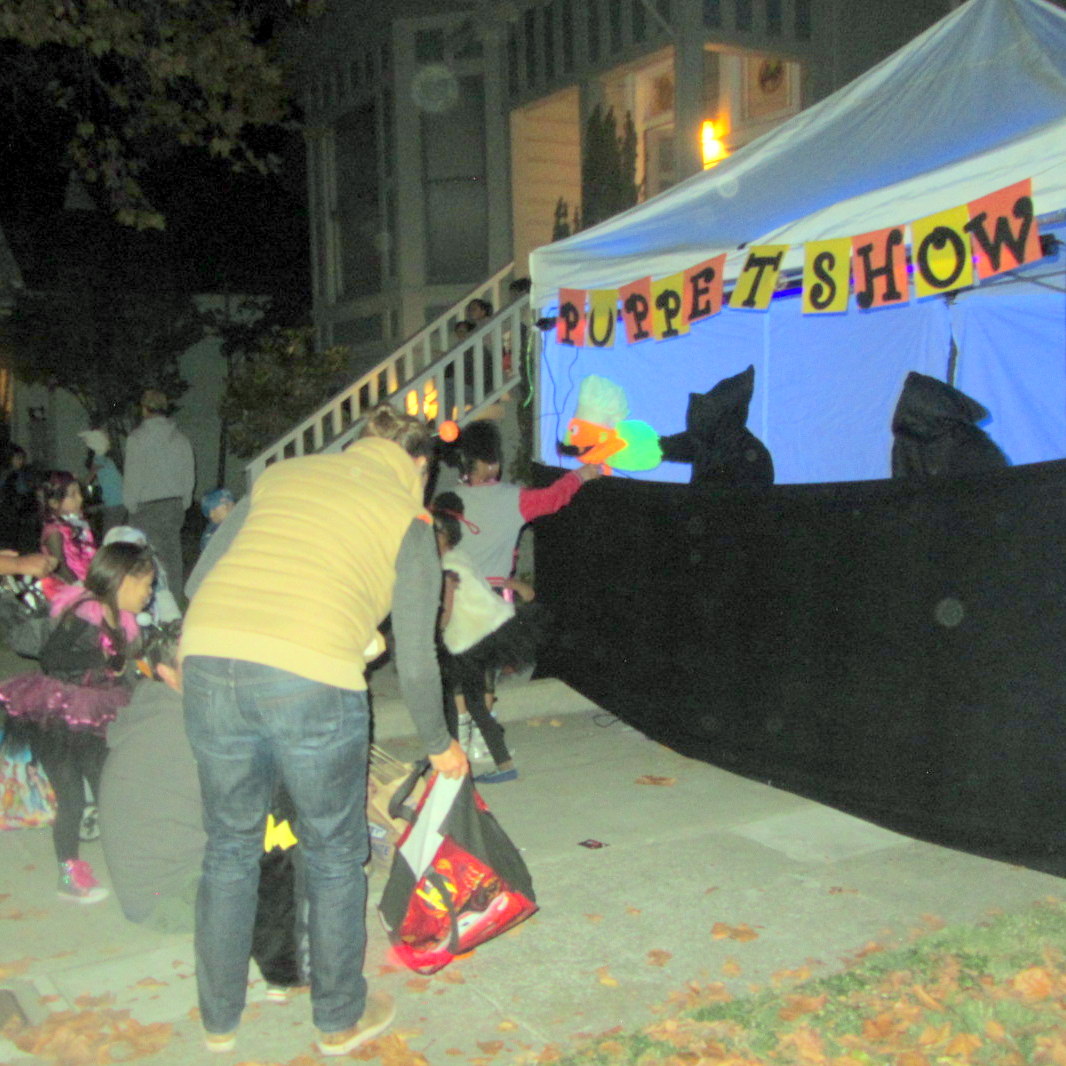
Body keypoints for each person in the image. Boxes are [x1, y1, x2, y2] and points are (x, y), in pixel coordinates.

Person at [180, 402, 467, 1056]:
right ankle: (339, 1017)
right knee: (334, 852)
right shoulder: (411, 521)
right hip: (308, 678)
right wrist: (439, 746)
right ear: (419, 468)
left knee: (229, 846)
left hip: (209, 659)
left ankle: (218, 1019)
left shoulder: (284, 476)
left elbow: (201, 577)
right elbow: (420, 660)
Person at [99, 621, 306, 1000]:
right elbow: (251, 818)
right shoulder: (190, 732)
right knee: (282, 858)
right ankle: (287, 974)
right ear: (168, 674)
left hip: (152, 884)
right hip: (167, 898)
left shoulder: (157, 709)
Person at [0, 542, 155, 903]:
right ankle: (68, 870)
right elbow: (52, 656)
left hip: (94, 712)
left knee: (106, 785)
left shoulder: (125, 621)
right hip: (57, 713)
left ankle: (130, 859)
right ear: (122, 581)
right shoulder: (86, 612)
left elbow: (122, 673)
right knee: (70, 793)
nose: (149, 594)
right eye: (145, 584)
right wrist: (99, 660)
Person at [433, 492, 545, 784]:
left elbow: (446, 612)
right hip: (489, 633)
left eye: (434, 532)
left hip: (468, 640)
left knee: (454, 703)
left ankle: (455, 769)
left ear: (445, 536)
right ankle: (501, 764)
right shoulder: (461, 558)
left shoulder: (447, 567)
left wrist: (434, 635)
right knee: (474, 704)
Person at [123, 389, 195, 597]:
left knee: (145, 559)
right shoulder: (181, 439)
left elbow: (133, 475)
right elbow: (188, 472)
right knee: (172, 557)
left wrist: (130, 504)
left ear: (144, 409)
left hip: (147, 507)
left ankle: (151, 602)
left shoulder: (137, 439)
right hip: (173, 505)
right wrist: (185, 500)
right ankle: (174, 601)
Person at [38, 471, 96, 600]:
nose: (80, 498)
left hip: (88, 580)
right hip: (69, 589)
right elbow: (60, 566)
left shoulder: (76, 523)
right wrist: (81, 589)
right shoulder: (54, 531)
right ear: (54, 503)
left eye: (80, 493)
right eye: (73, 495)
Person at [78, 429, 125, 538]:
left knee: (108, 537)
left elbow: (87, 480)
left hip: (114, 504)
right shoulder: (107, 460)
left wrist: (74, 481)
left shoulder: (99, 460)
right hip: (120, 501)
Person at [199, 488, 236, 553]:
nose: (232, 509)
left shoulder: (235, 524)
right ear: (212, 513)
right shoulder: (211, 537)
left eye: (233, 505)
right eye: (226, 506)